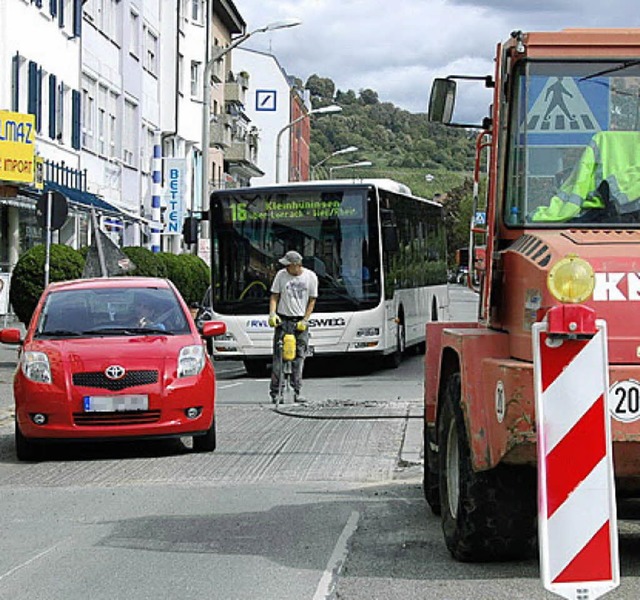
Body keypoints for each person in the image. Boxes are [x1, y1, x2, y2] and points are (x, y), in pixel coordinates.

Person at [268, 250, 318, 403]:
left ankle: (297, 390)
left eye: (289, 265)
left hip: (300, 322)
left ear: (297, 265)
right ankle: (277, 392)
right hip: (283, 321)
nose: (286, 268)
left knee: (299, 358)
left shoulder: (310, 277)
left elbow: (312, 300)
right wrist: (272, 313)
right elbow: (274, 296)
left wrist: (305, 320)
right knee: (279, 358)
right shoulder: (281, 276)